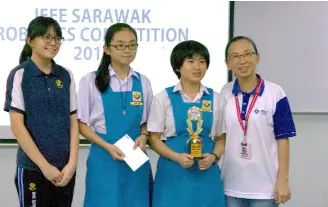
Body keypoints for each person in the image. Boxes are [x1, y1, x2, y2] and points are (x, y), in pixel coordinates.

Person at [4, 16, 79, 207]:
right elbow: (17, 126)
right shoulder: (20, 74)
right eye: (46, 37)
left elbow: (73, 122)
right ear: (30, 41)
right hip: (33, 169)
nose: (53, 43)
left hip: (65, 171)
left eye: (57, 38)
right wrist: (45, 167)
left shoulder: (66, 75)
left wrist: (72, 164)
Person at [77, 23, 153, 207]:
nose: (127, 50)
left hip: (135, 158)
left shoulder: (143, 82)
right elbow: (80, 124)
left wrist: (144, 136)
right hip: (104, 157)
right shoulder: (91, 81)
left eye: (132, 45)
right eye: (120, 45)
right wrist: (107, 146)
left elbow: (147, 122)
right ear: (107, 49)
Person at [147, 40, 226, 207]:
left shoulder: (217, 98)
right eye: (191, 61)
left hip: (206, 175)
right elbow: (153, 139)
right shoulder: (163, 98)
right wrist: (177, 157)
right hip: (173, 175)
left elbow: (221, 138)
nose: (197, 67)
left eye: (202, 61)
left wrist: (213, 157)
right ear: (177, 66)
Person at [220, 36, 296, 207]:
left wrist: (283, 180)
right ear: (228, 64)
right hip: (231, 185)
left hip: (265, 188)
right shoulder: (224, 93)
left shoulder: (275, 93)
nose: (242, 60)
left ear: (257, 57)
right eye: (236, 56)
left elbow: (283, 139)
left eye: (247, 54)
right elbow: (221, 137)